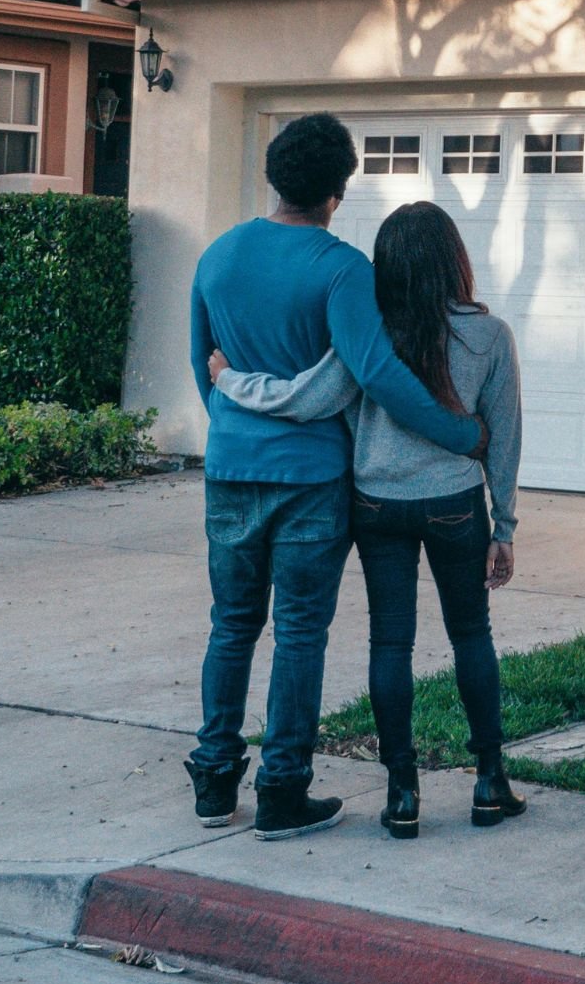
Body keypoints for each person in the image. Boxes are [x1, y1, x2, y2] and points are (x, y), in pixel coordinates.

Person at [187, 115, 488, 842]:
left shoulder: (218, 257)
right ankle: (283, 790)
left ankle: (213, 780)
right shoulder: (342, 268)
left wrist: (236, 432)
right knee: (298, 634)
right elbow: (378, 372)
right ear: (337, 190)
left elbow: (204, 367)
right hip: (312, 479)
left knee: (230, 627)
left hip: (231, 469)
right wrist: (459, 434)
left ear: (274, 177)